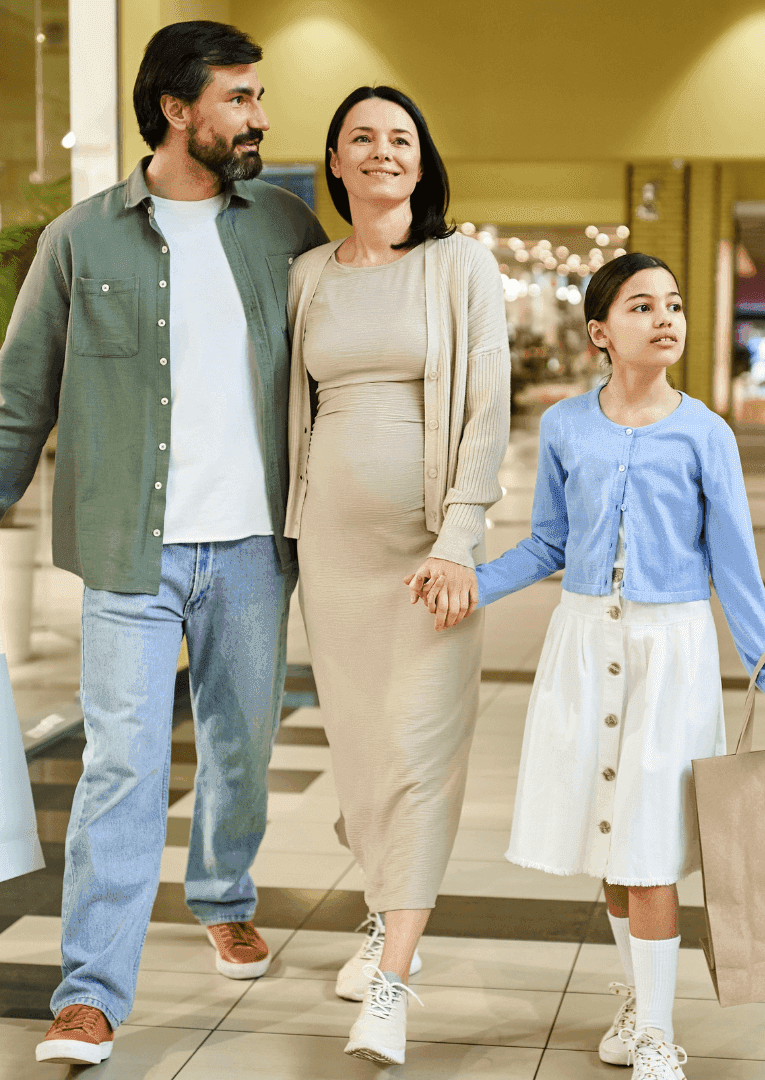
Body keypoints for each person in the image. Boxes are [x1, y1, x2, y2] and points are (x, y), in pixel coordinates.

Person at [0, 21, 327, 1068]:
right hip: (127, 554)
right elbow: (18, 401)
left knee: (239, 749)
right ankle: (91, 991)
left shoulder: (285, 227)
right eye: (239, 98)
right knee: (121, 767)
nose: (260, 117)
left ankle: (223, 892)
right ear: (176, 110)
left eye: (257, 96)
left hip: (249, 552)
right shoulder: (80, 240)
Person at [443, 252, 765, 1080]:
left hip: (670, 652)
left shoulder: (706, 433)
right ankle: (640, 1005)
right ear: (601, 332)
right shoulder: (569, 428)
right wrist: (475, 585)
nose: (666, 318)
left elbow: (735, 564)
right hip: (582, 646)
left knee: (647, 846)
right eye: (642, 306)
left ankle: (656, 1032)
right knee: (611, 842)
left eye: (674, 304)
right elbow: (548, 542)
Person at [282, 85, 509, 1066]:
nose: (381, 151)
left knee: (421, 749)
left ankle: (392, 982)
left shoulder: (460, 267)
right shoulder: (306, 278)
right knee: (365, 748)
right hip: (330, 554)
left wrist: (460, 536)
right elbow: (290, 412)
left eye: (400, 138)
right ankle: (383, 908)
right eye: (361, 139)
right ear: (334, 162)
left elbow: (485, 413)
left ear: (423, 161)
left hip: (429, 558)